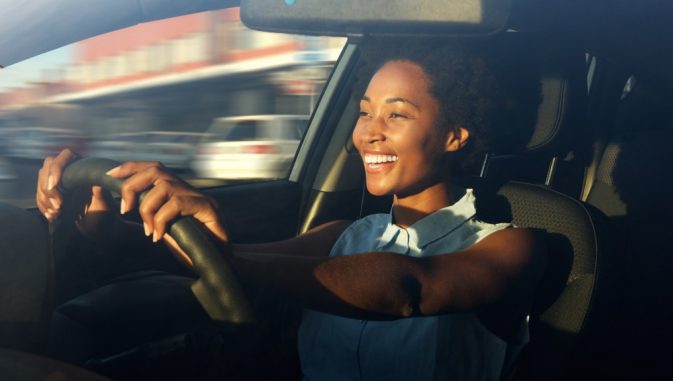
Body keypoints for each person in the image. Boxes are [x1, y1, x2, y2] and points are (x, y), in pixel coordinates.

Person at [36, 38, 544, 380]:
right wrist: (105, 227)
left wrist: (233, 261)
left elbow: (410, 288)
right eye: (365, 111)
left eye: (397, 114)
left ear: (455, 136)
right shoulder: (345, 234)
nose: (369, 131)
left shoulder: (509, 244)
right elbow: (217, 263)